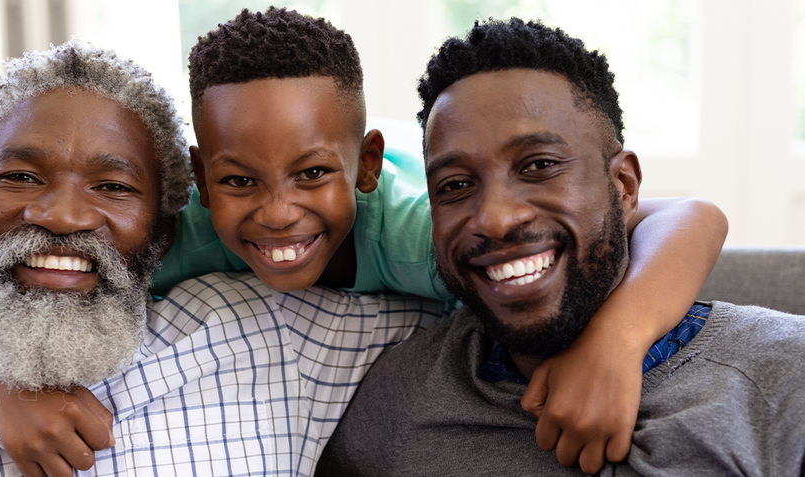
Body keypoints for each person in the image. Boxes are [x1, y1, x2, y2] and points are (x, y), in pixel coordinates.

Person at [0, 8, 728, 476]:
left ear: (369, 164)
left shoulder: (436, 230)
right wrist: (8, 391)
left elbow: (690, 214)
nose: (278, 215)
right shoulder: (187, 230)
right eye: (241, 181)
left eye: (312, 174)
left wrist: (619, 339)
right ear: (201, 179)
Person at [0, 40, 449, 477]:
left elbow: (519, 290)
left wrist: (549, 349)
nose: (62, 217)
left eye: (112, 187)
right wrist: (6, 386)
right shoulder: (191, 232)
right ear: (203, 188)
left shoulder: (423, 242)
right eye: (21, 175)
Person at [316, 17, 805, 476]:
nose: (496, 218)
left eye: (538, 166)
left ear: (624, 186)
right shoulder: (396, 403)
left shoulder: (785, 377)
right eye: (456, 185)